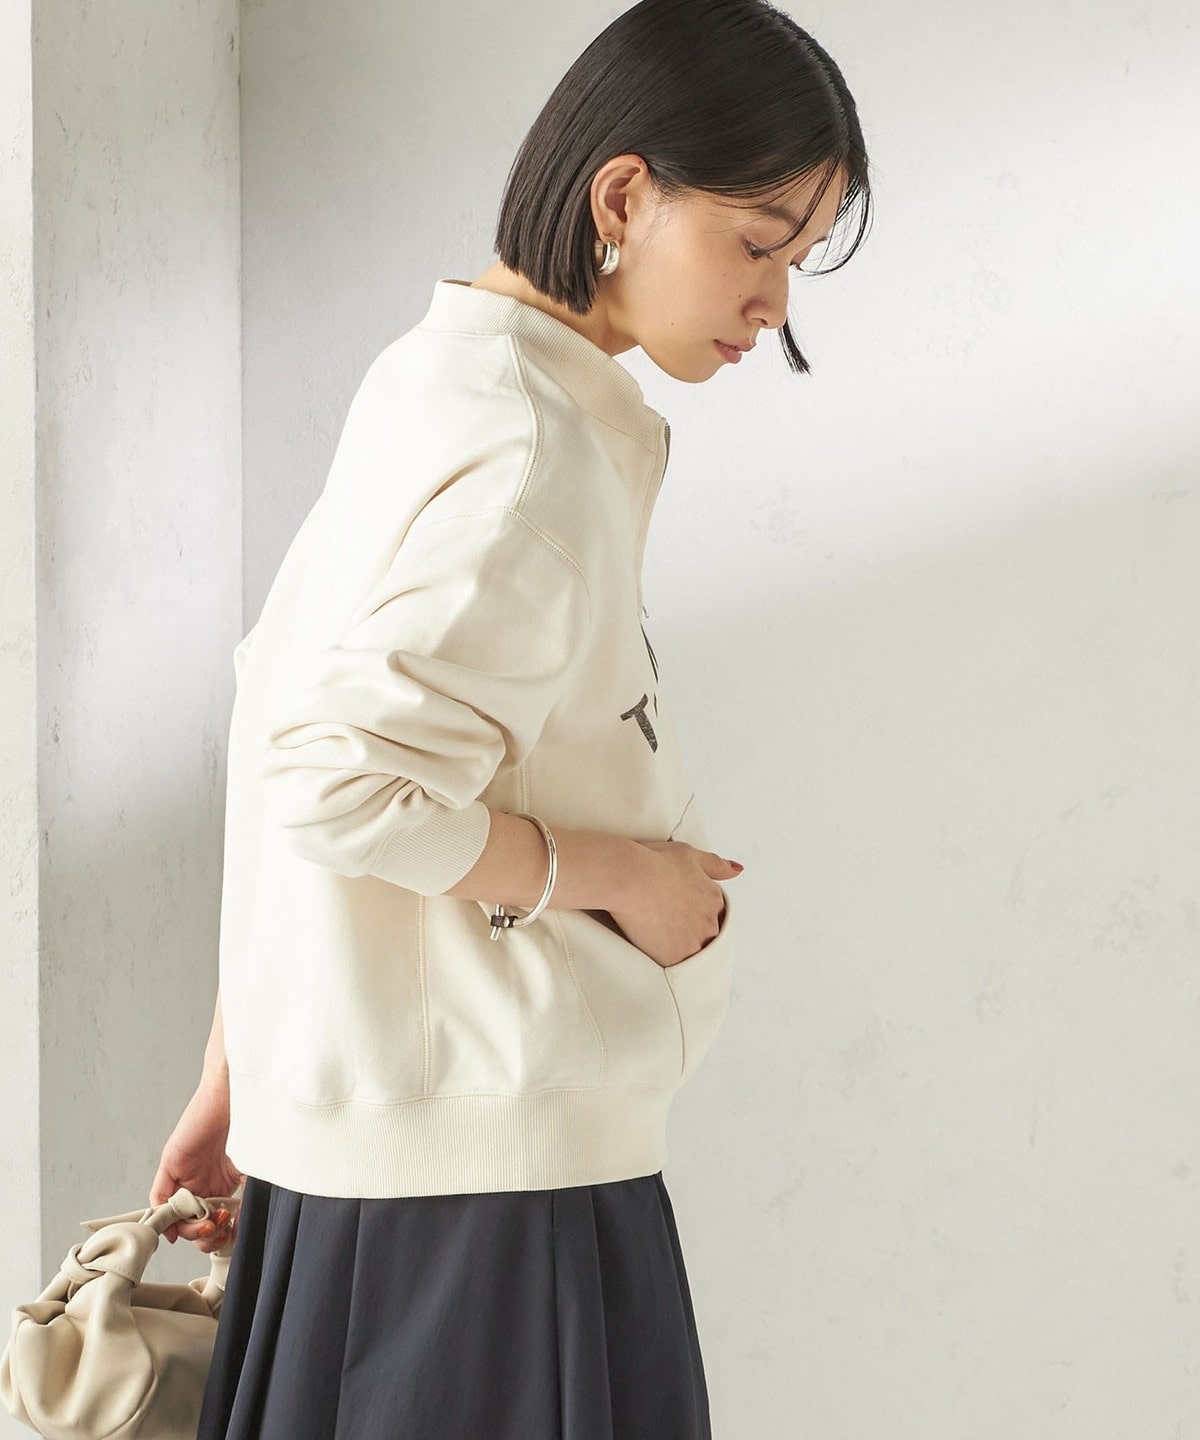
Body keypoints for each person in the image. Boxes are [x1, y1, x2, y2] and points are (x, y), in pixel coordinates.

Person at [150, 1, 871, 1435]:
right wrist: (625, 878)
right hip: (490, 1206)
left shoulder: (442, 381)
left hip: (387, 1160)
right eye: (757, 242)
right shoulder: (532, 446)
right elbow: (334, 781)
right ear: (624, 196)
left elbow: (284, 707)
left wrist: (248, 1066)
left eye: (796, 260)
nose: (775, 302)